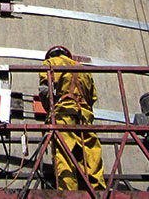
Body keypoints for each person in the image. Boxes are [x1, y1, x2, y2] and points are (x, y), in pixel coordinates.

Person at [38, 45, 105, 191]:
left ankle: (67, 190)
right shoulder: (82, 68)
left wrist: (50, 109)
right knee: (91, 151)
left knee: (64, 152)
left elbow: (44, 90)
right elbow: (92, 97)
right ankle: (97, 189)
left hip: (64, 111)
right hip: (84, 114)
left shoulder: (51, 63)